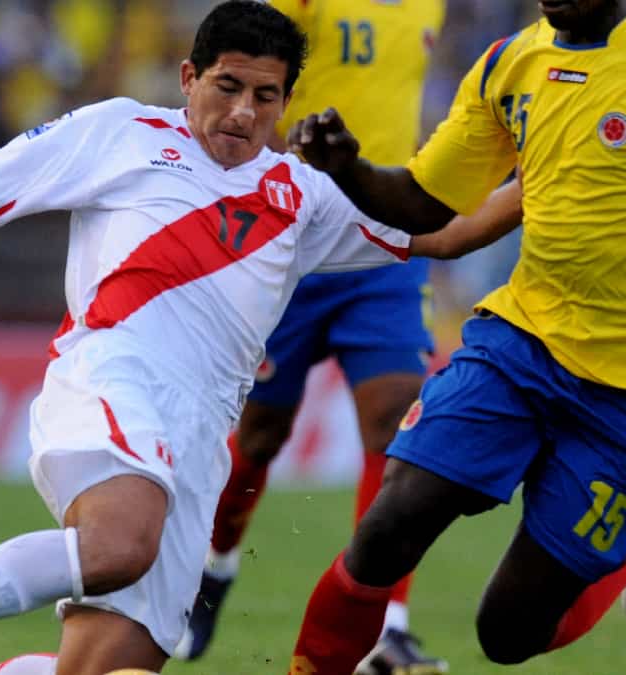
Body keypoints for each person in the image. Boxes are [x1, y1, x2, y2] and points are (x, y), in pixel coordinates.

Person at [0, 4, 519, 675]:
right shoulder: (120, 132)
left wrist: (545, 173)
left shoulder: (306, 195)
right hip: (113, 380)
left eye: (265, 96)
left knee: (104, 668)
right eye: (228, 86)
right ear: (188, 77)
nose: (243, 112)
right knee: (118, 544)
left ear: (287, 101)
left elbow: (446, 234)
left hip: (199, 442)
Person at [283, 0, 626, 671]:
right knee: (387, 529)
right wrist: (349, 169)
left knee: (506, 634)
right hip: (520, 345)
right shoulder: (509, 62)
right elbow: (427, 201)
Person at [176, 0, 460, 671]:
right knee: (259, 435)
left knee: (395, 420)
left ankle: (385, 627)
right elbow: (253, 60)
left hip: (384, 238)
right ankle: (214, 565)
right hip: (293, 231)